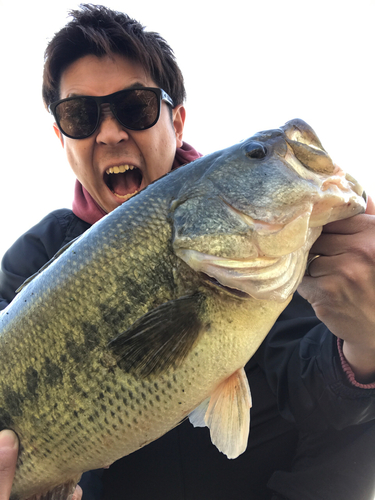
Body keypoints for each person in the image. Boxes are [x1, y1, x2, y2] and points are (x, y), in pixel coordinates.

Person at [1, 5, 375, 500]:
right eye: (79, 116)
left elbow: (318, 392)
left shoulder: (277, 244)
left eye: (135, 107)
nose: (110, 133)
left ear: (176, 122)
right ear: (61, 139)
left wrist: (367, 344)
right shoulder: (35, 257)